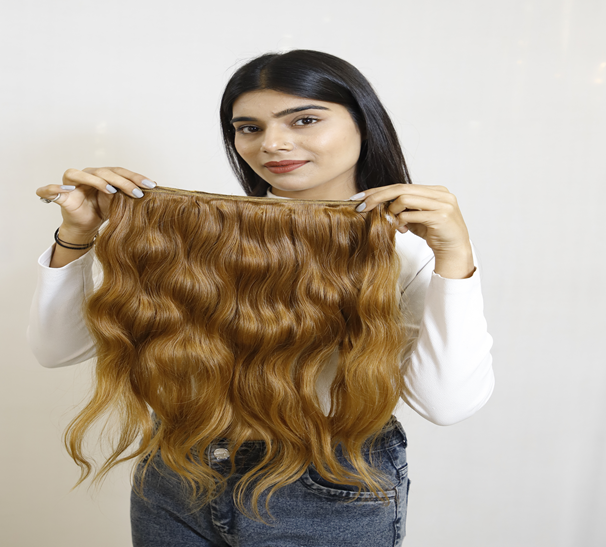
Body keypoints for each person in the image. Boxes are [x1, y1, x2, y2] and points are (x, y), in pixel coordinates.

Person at [28, 49, 494, 547]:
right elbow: (57, 350)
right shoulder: (198, 235)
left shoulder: (408, 249)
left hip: (329, 485)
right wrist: (77, 235)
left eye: (305, 120)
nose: (272, 144)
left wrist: (455, 257)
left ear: (364, 122)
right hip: (177, 474)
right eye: (249, 128)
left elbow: (446, 404)